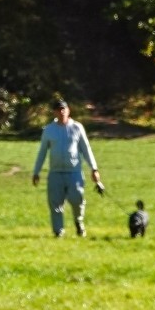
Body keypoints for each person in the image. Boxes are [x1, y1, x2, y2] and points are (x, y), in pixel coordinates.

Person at [31, 100, 104, 237]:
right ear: (55, 112)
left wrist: (94, 169)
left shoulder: (77, 127)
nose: (62, 112)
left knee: (77, 199)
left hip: (74, 172)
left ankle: (79, 223)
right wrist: (36, 172)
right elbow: (42, 152)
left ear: (68, 110)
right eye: (59, 109)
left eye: (64, 109)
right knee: (55, 203)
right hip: (55, 173)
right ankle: (58, 231)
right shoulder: (49, 130)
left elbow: (86, 149)